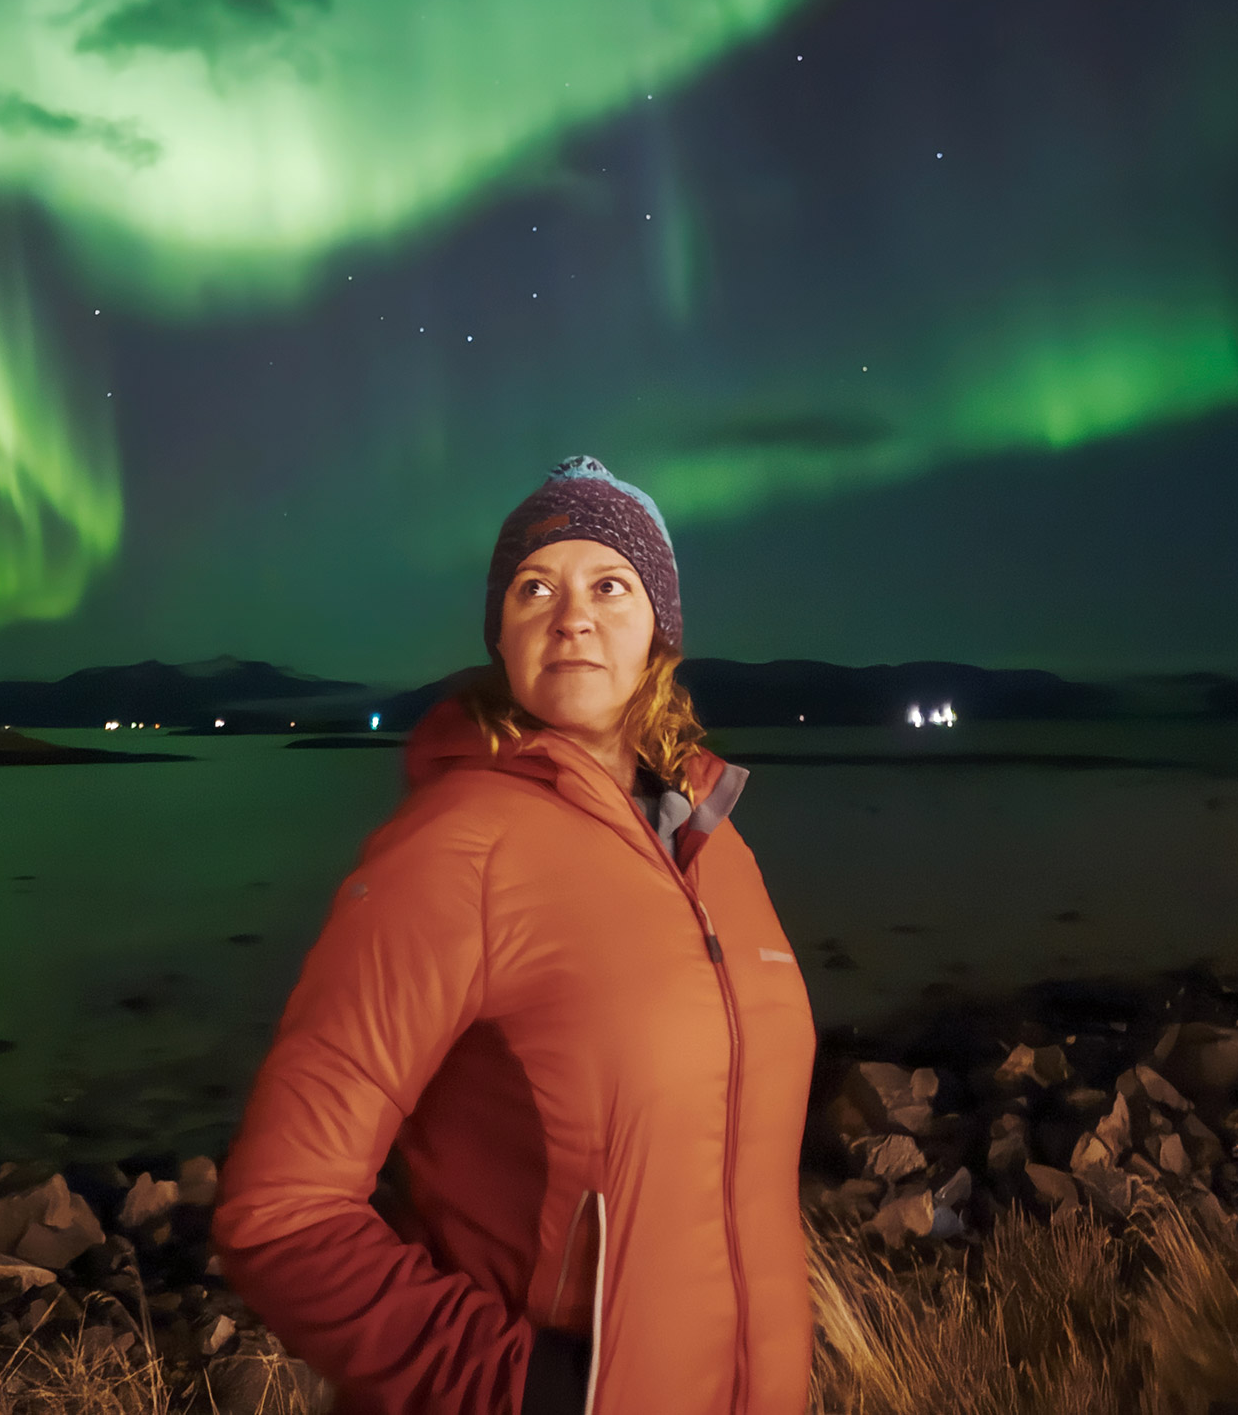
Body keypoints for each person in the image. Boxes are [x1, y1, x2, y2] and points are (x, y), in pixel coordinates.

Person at [212, 456, 817, 1415]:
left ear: (659, 625)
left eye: (610, 585)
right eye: (535, 587)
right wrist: (519, 1388)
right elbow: (280, 1213)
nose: (572, 614)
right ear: (500, 632)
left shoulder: (716, 843)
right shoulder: (456, 845)